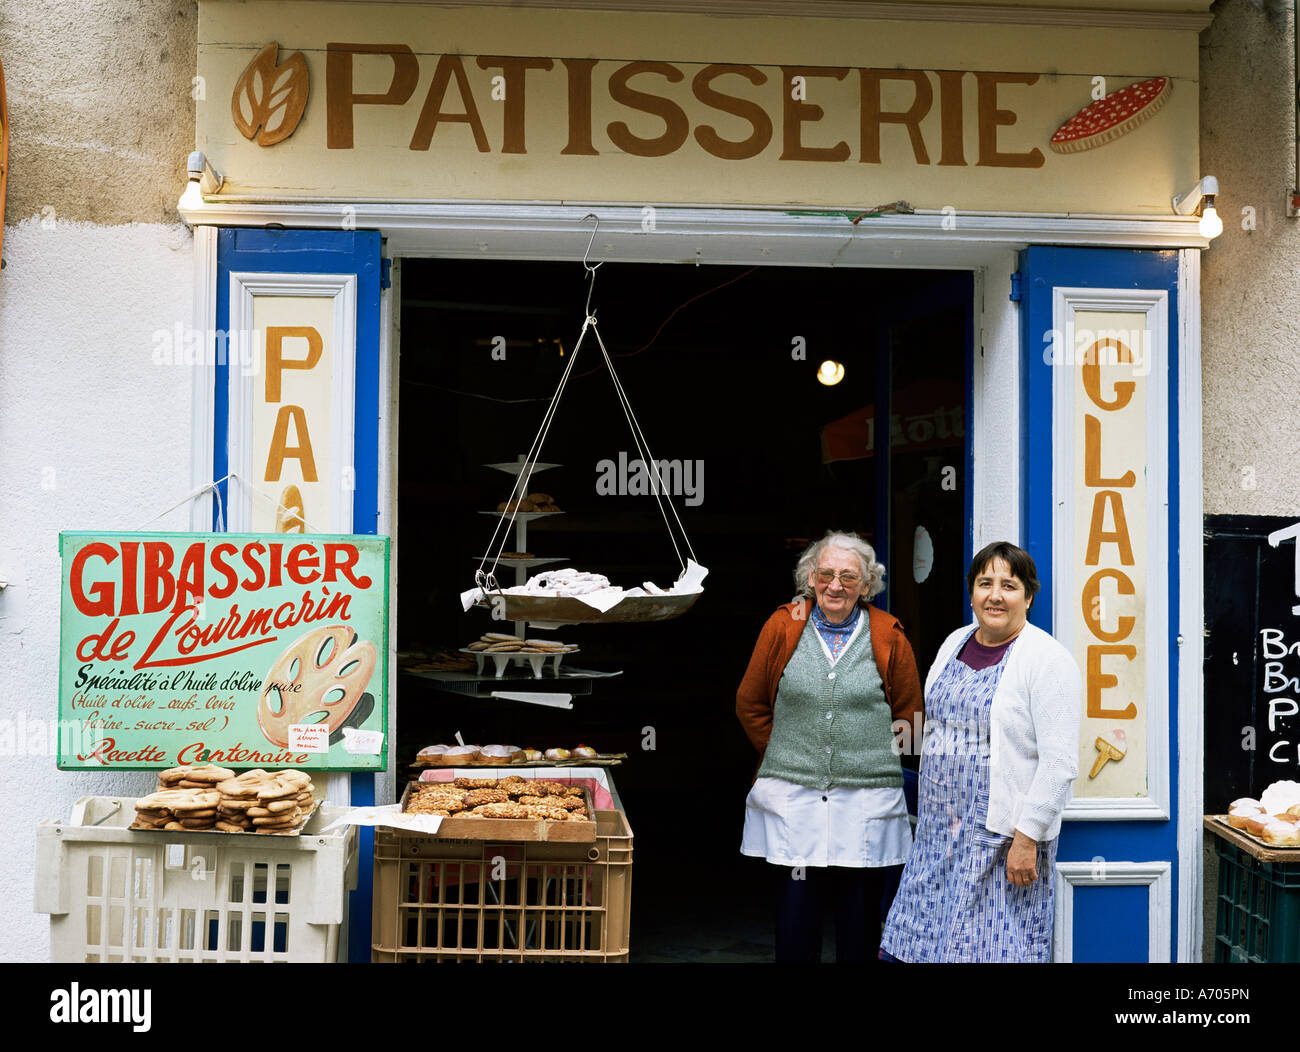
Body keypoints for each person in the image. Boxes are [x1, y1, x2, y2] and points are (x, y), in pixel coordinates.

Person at [879, 541, 1082, 963]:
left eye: (1009, 585)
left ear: (1028, 596)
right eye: (984, 582)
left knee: (986, 947)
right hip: (938, 831)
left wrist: (1026, 840)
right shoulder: (955, 641)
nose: (995, 594)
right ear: (971, 591)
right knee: (918, 938)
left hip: (1001, 837)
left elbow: (1060, 763)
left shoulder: (1046, 659)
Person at [736, 530, 923, 963]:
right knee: (796, 915)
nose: (835, 586)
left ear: (866, 584)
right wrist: (783, 750)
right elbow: (750, 703)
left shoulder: (887, 633)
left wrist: (877, 762)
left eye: (848, 577)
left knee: (858, 920)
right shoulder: (784, 624)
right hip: (795, 797)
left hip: (866, 802)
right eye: (825, 574)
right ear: (811, 577)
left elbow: (911, 717)